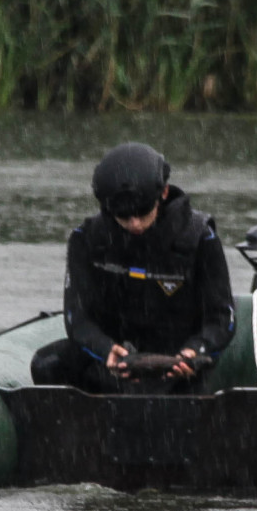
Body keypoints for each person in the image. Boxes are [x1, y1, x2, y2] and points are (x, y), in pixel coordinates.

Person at [30, 142, 235, 393]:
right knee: (46, 363)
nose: (135, 224)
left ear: (164, 193)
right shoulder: (86, 240)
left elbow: (222, 317)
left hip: (179, 363)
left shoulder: (200, 238)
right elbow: (78, 319)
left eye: (142, 212)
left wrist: (195, 350)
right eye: (124, 216)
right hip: (116, 362)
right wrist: (105, 349)